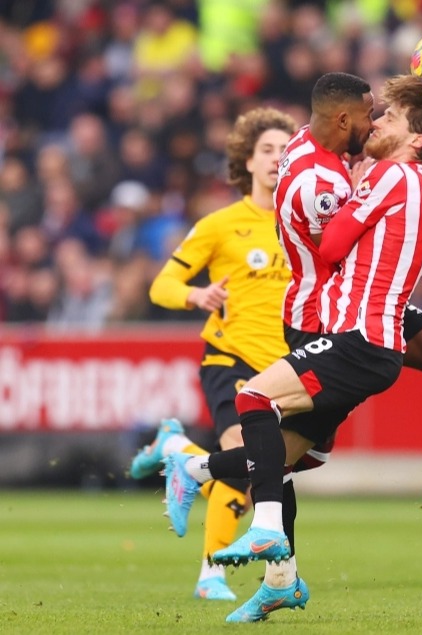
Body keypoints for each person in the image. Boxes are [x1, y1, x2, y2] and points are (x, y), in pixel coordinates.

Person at [163, 73, 422, 624]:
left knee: (254, 400)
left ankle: (266, 525)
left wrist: (339, 192)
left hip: (353, 331)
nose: (378, 122)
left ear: (415, 139)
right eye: (374, 114)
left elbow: (335, 243)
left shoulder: (390, 176)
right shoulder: (400, 174)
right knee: (291, 452)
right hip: (362, 328)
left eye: (388, 118)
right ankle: (223, 505)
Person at [130, 107, 334, 601]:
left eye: (286, 151)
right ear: (246, 160)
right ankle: (211, 575)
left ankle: (177, 452)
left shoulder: (310, 226)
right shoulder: (221, 224)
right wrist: (196, 296)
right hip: (232, 360)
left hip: (287, 366)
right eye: (266, 150)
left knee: (269, 467)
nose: (275, 159)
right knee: (249, 456)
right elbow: (162, 284)